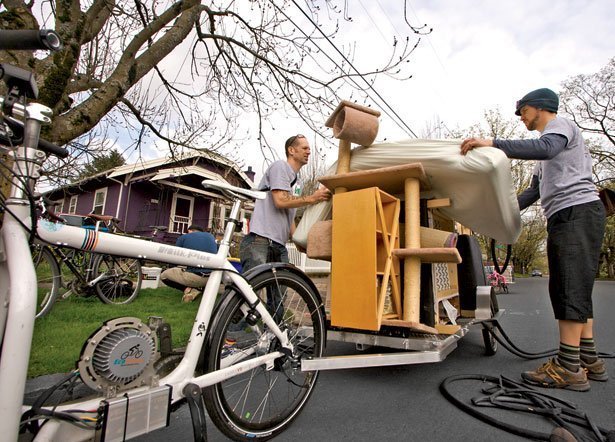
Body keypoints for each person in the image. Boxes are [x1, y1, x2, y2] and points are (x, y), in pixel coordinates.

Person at [461, 88, 607, 391]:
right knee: (575, 287)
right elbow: (533, 192)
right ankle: (588, 357)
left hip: (576, 212)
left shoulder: (559, 128)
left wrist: (493, 143)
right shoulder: (546, 155)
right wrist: (499, 213)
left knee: (568, 287)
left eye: (523, 111)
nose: (521, 118)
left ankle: (568, 367)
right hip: (569, 215)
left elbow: (545, 148)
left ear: (539, 107)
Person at [240, 134, 331, 273]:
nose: (309, 152)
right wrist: (313, 198)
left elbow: (289, 213)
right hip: (260, 240)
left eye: (309, 149)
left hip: (278, 244)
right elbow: (280, 201)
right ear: (291, 150)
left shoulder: (297, 182)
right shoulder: (280, 167)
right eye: (304, 148)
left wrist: (297, 239)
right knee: (254, 285)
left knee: (282, 286)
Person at [160, 224, 218, 303]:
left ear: (190, 230)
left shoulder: (184, 237)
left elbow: (174, 258)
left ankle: (189, 289)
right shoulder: (211, 237)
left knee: (164, 275)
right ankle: (199, 289)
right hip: (212, 277)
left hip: (195, 277)